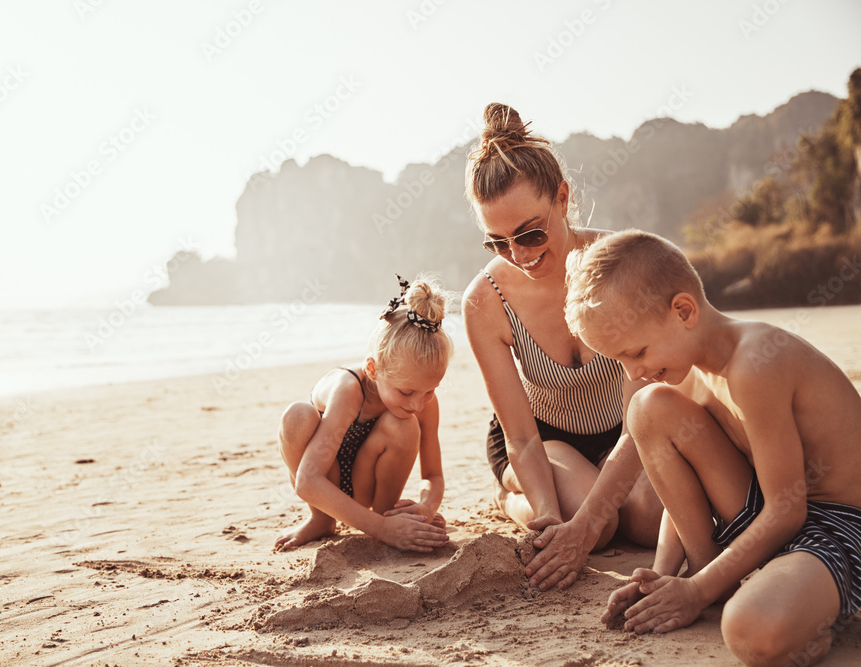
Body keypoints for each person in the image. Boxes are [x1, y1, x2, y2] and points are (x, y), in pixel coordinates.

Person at [564, 229, 861, 666]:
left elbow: (787, 509)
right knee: (648, 408)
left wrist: (697, 588)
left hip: (837, 527)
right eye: (621, 362)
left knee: (750, 630)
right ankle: (720, 581)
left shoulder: (755, 363)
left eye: (638, 352)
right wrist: (663, 576)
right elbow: (678, 493)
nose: (636, 371)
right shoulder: (688, 374)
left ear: (683, 310)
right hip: (768, 514)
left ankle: (731, 592)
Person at [462, 103, 663, 591]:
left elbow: (642, 419)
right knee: (597, 527)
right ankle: (509, 493)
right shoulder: (485, 303)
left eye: (530, 232)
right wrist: (549, 518)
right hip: (540, 437)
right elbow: (522, 436)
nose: (520, 255)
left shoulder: (622, 263)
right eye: (499, 243)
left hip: (624, 427)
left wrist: (589, 519)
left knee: (647, 521)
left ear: (562, 198)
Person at [275, 275, 452, 553]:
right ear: (373, 369)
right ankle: (322, 520)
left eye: (429, 391)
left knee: (405, 425)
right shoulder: (348, 389)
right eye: (406, 393)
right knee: (297, 415)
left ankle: (388, 516)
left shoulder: (423, 400)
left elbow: (433, 474)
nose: (419, 404)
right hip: (325, 481)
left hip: (369, 484)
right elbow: (308, 480)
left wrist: (425, 508)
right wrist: (381, 531)